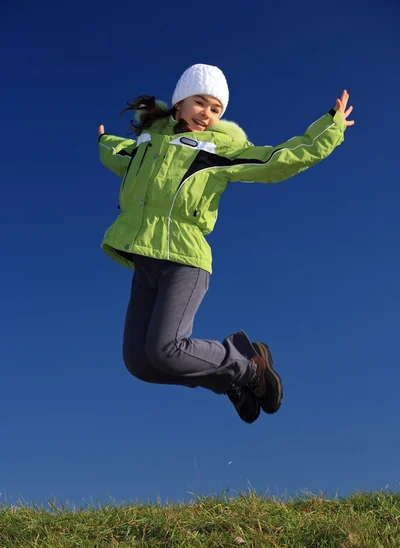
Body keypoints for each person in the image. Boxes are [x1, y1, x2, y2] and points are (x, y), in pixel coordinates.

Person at [98, 64, 354, 424]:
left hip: (184, 260)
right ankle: (228, 380)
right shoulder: (145, 144)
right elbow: (117, 155)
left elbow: (278, 160)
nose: (207, 114)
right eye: (200, 103)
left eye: (216, 109)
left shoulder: (218, 148)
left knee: (166, 350)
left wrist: (330, 128)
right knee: (140, 363)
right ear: (179, 103)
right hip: (145, 262)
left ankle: (248, 368)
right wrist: (103, 141)